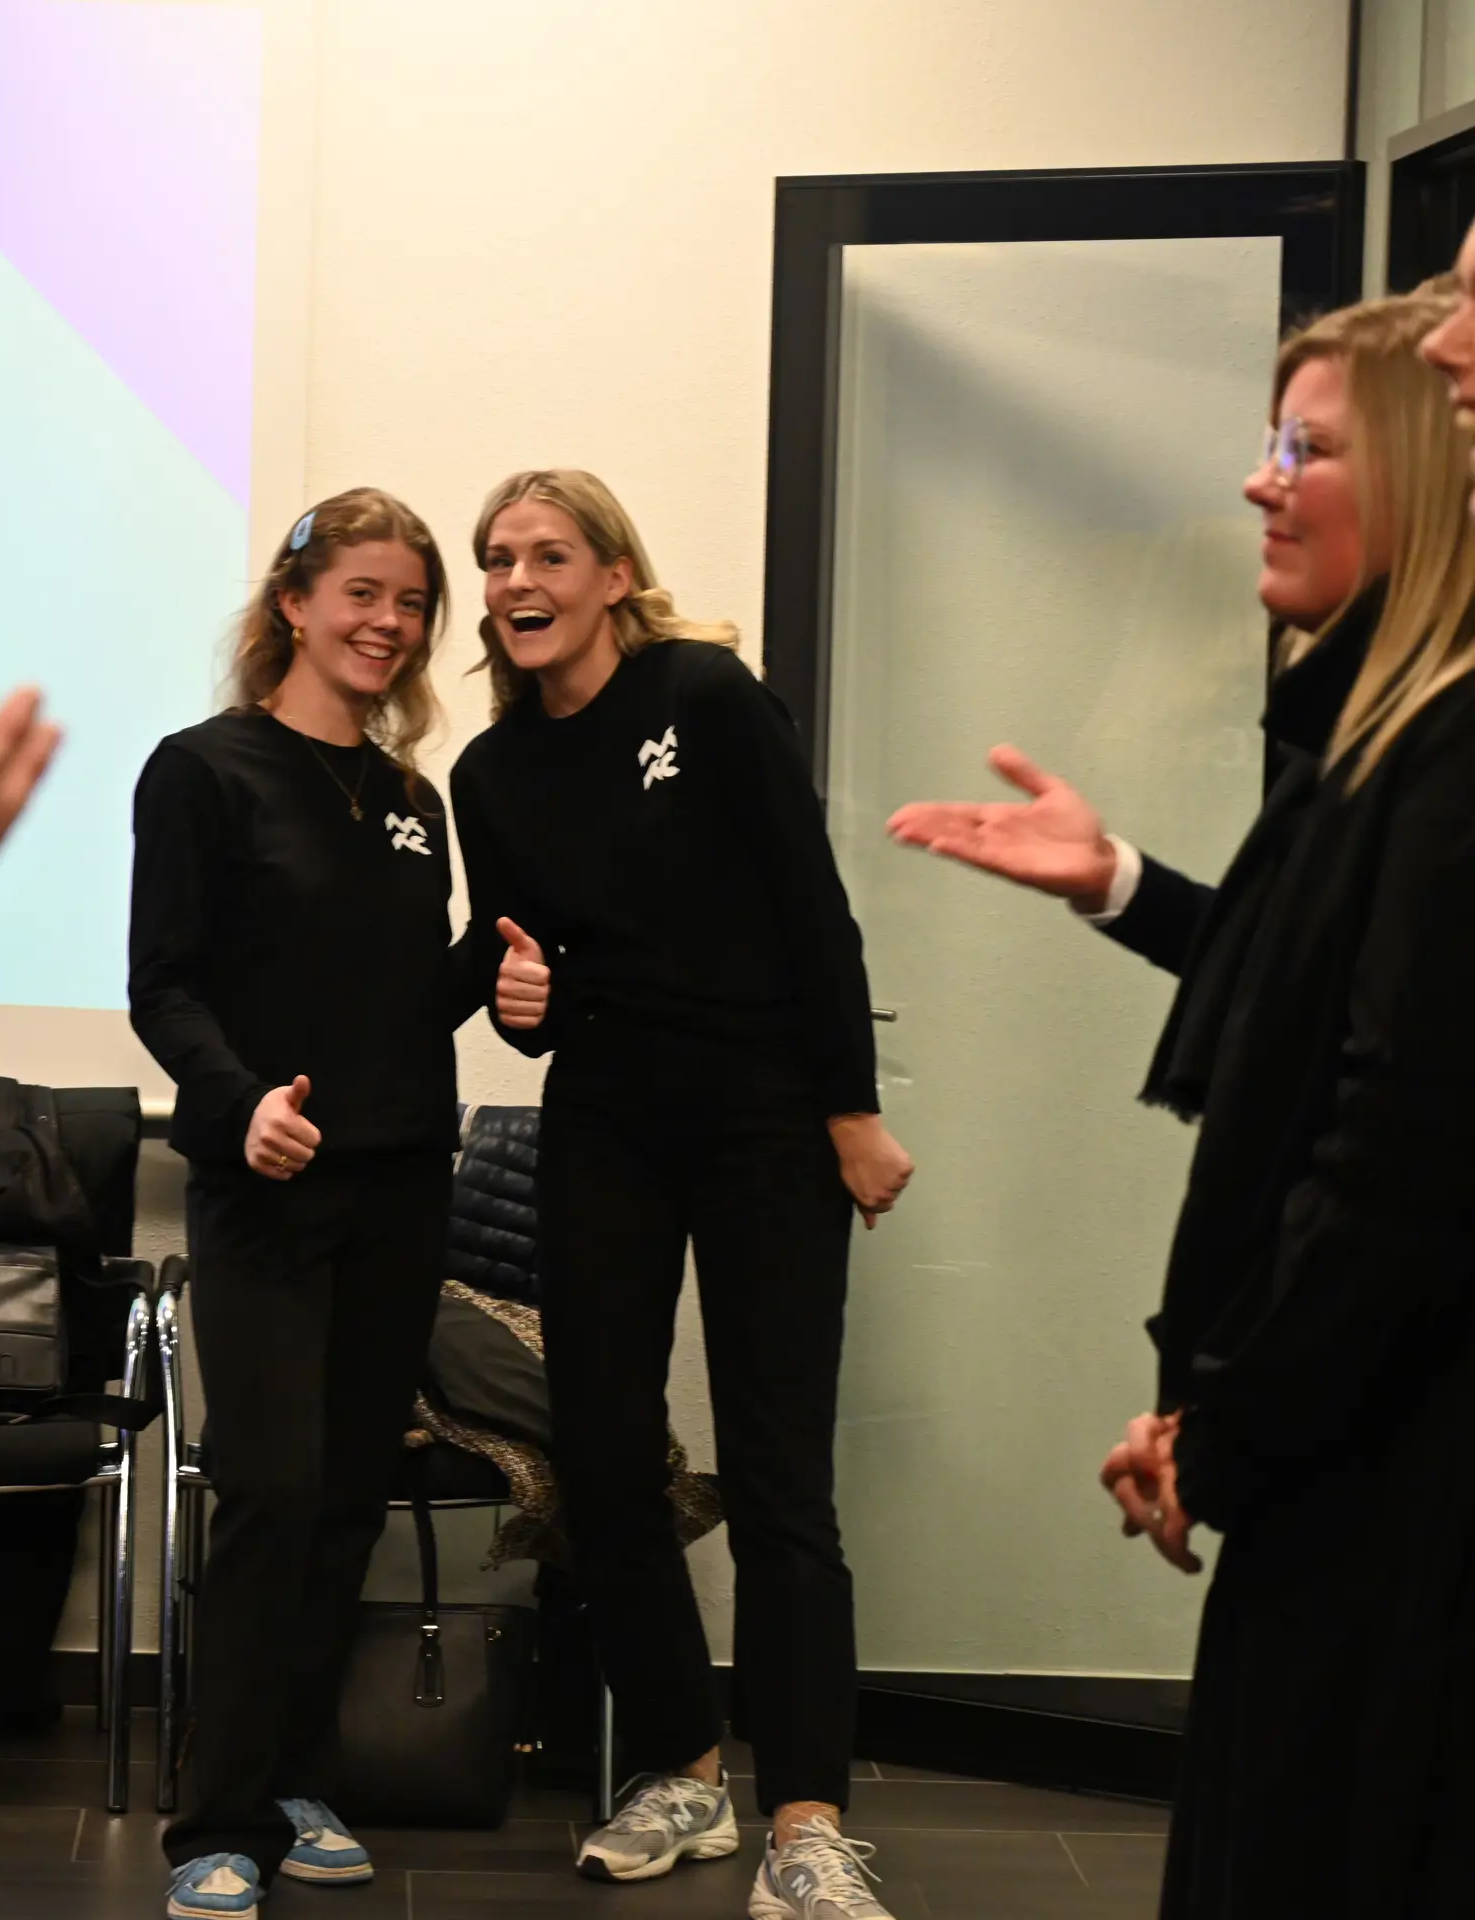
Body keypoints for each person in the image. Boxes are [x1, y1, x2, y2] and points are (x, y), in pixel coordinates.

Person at [891, 286, 1475, 1917]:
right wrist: (1121, 884)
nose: (1259, 481)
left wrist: (1223, 1426)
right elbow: (1321, 998)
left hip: (1394, 1503)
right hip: (1338, 1471)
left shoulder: (1443, 747)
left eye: (1308, 448)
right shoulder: (1374, 734)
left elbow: (1396, 1159)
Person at [449, 470, 912, 1920]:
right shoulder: (491, 773)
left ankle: (808, 1823)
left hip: (767, 1119)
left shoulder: (704, 698)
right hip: (607, 1123)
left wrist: (851, 1111)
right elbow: (528, 990)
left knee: (780, 1475)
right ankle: (683, 1771)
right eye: (497, 559)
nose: (517, 581)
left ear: (611, 575)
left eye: (549, 554)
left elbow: (812, 910)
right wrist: (518, 1003)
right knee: (602, 1464)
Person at [129, 488, 547, 1918]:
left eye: (413, 602)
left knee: (346, 1501)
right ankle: (215, 1821)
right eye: (364, 592)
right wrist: (238, 1100)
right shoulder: (202, 770)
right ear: (295, 603)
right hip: (266, 1184)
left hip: (402, 1181)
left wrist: (502, 971)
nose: (390, 623)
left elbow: (404, 1001)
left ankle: (296, 1777)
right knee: (270, 1492)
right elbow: (163, 983)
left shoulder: (412, 801)